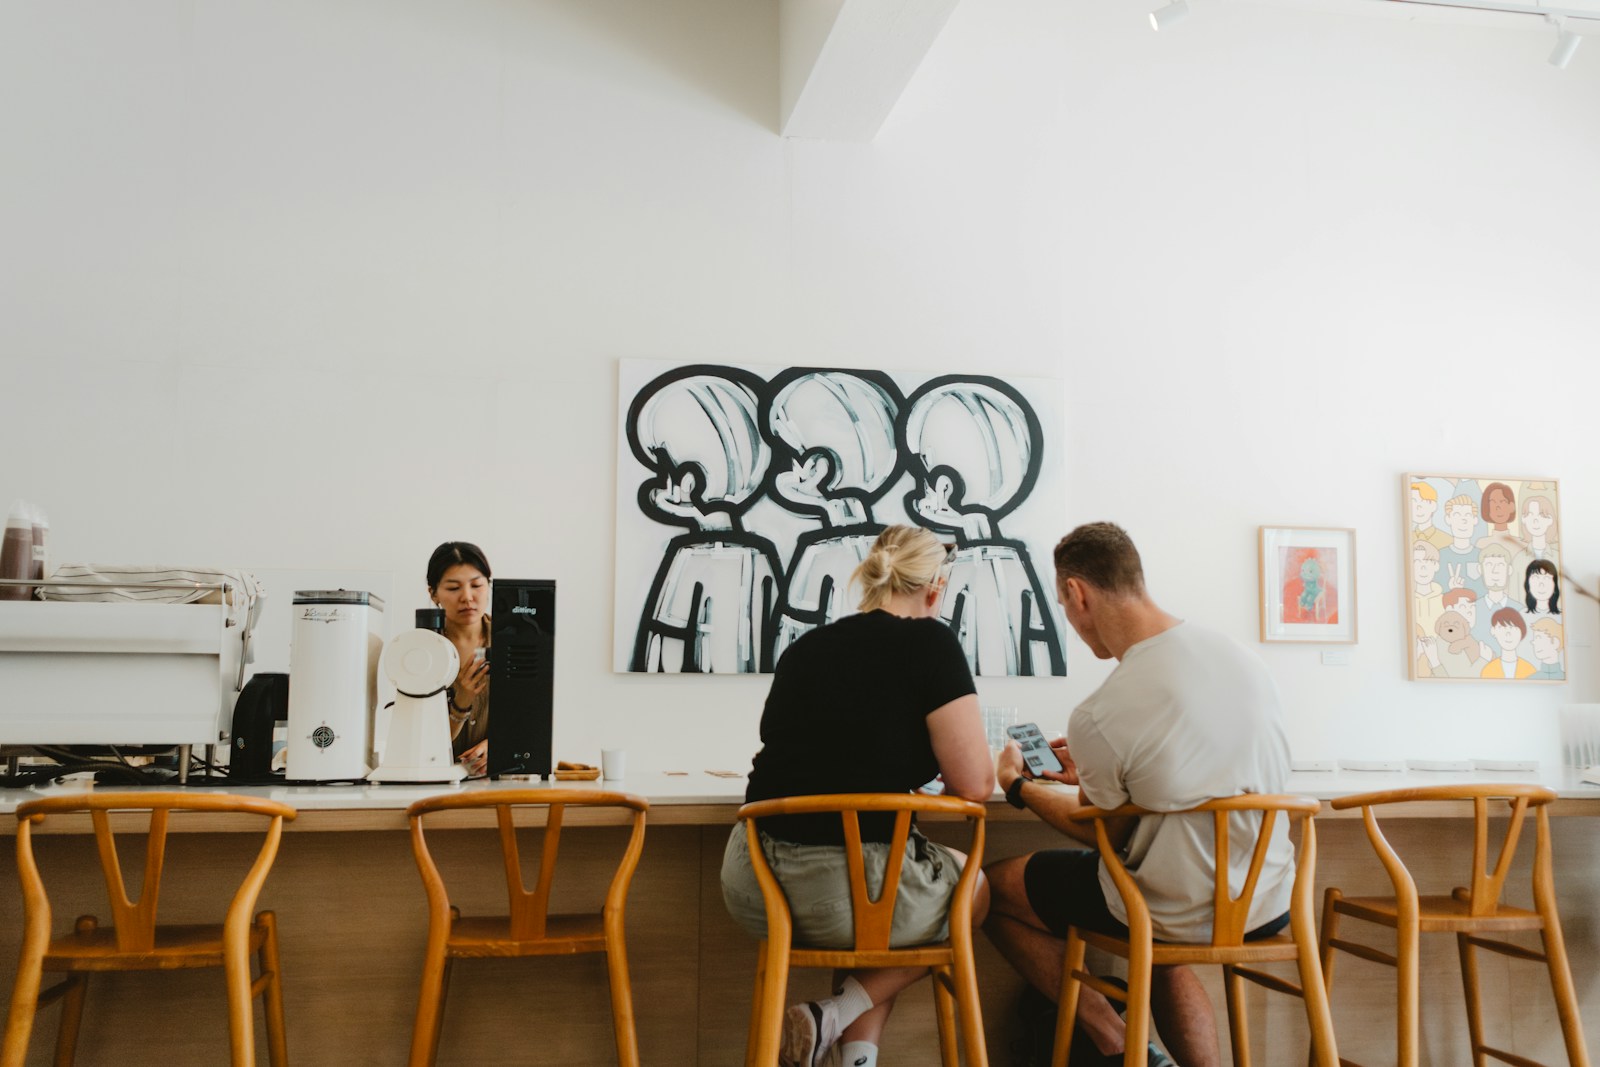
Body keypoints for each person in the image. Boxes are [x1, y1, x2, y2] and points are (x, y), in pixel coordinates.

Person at [983, 522, 1292, 1067]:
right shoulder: (1244, 660)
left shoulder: (1103, 711)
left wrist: (1017, 786)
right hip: (1266, 897)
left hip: (1171, 907)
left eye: (1065, 605)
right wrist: (1103, 777)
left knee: (989, 891)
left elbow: (1099, 830)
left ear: (1077, 594)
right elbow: (1178, 781)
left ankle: (1115, 1038)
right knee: (1160, 905)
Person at [721, 524, 994, 1067]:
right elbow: (975, 786)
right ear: (936, 587)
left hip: (755, 882)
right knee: (974, 890)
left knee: (875, 899)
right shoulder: (932, 643)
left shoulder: (807, 648)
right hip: (849, 890)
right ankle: (835, 1014)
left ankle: (854, 1058)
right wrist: (1007, 766)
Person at [426, 541, 492, 777]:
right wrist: (461, 702)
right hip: (437, 778)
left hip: (500, 782)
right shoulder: (420, 650)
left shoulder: (512, 642)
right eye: (453, 588)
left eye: (476, 585)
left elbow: (530, 716)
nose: (467, 597)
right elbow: (424, 743)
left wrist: (499, 746)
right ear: (433, 593)